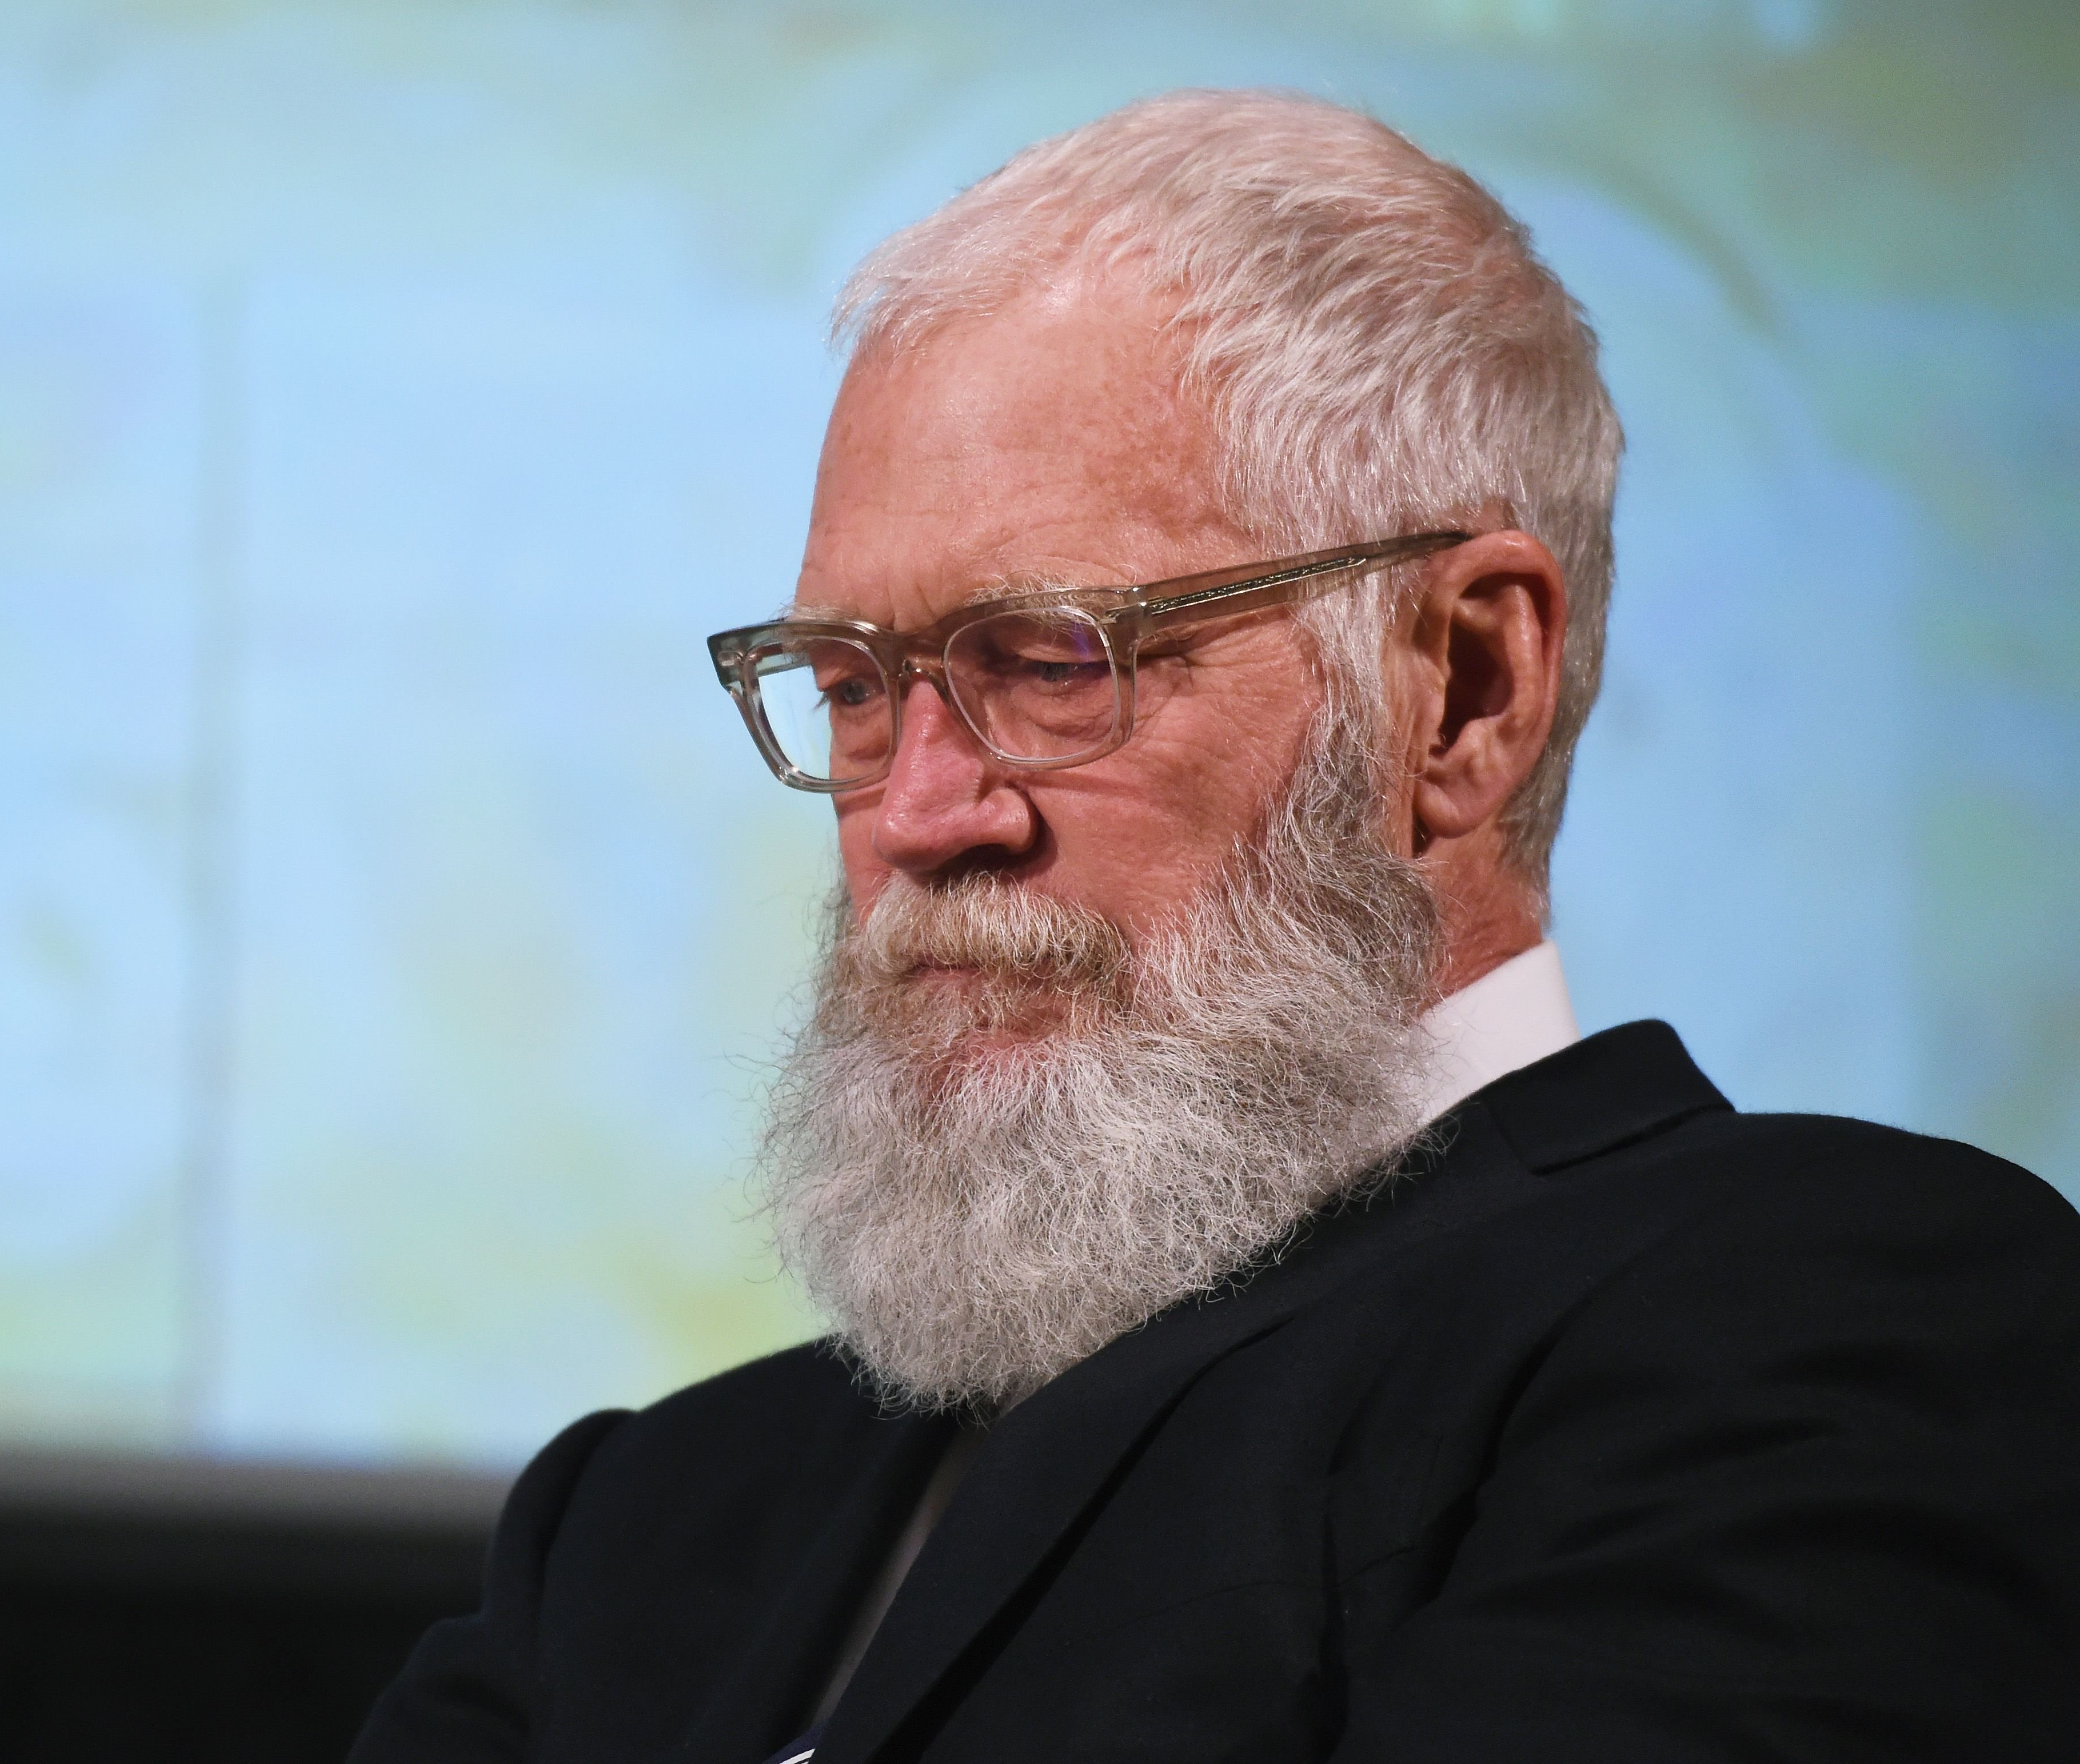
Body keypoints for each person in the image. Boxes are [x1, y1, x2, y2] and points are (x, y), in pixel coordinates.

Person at [350, 90, 2080, 1762]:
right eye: (850, 688)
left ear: (1465, 691)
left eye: (1048, 664)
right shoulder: (649, 1517)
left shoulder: (1817, 1319)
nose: (919, 811)